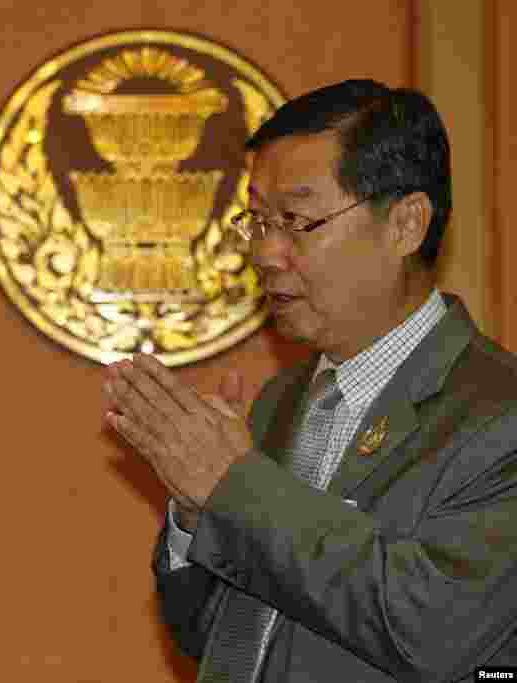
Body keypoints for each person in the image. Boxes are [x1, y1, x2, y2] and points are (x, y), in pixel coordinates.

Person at [104, 79, 517, 682]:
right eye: (258, 221)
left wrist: (235, 486)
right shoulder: (279, 402)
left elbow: (430, 630)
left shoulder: (500, 418)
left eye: (296, 220)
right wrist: (195, 512)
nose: (265, 253)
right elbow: (213, 636)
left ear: (406, 224)